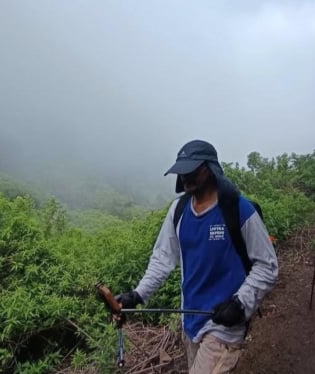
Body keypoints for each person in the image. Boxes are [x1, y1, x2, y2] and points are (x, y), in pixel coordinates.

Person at [116, 139, 279, 373]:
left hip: (225, 324)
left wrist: (240, 303)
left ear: (209, 169)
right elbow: (163, 258)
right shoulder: (179, 211)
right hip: (190, 319)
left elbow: (268, 266)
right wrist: (138, 295)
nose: (185, 177)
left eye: (192, 171)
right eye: (182, 172)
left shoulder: (238, 209)